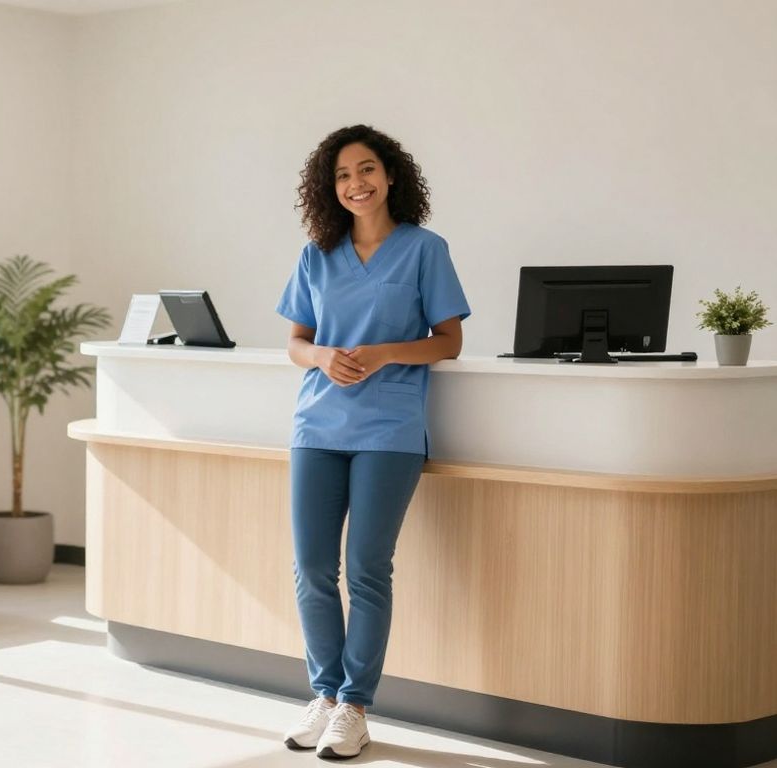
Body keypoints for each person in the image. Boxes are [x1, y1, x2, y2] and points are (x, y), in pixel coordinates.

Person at [276, 124, 470, 760]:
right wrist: (322, 355)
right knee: (310, 569)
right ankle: (325, 696)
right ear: (328, 188)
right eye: (341, 176)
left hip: (389, 429)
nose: (354, 184)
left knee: (365, 568)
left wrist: (388, 352)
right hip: (317, 427)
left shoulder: (424, 250)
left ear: (390, 176)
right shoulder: (316, 253)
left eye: (365, 171)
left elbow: (449, 340)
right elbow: (296, 343)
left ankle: (355, 707)